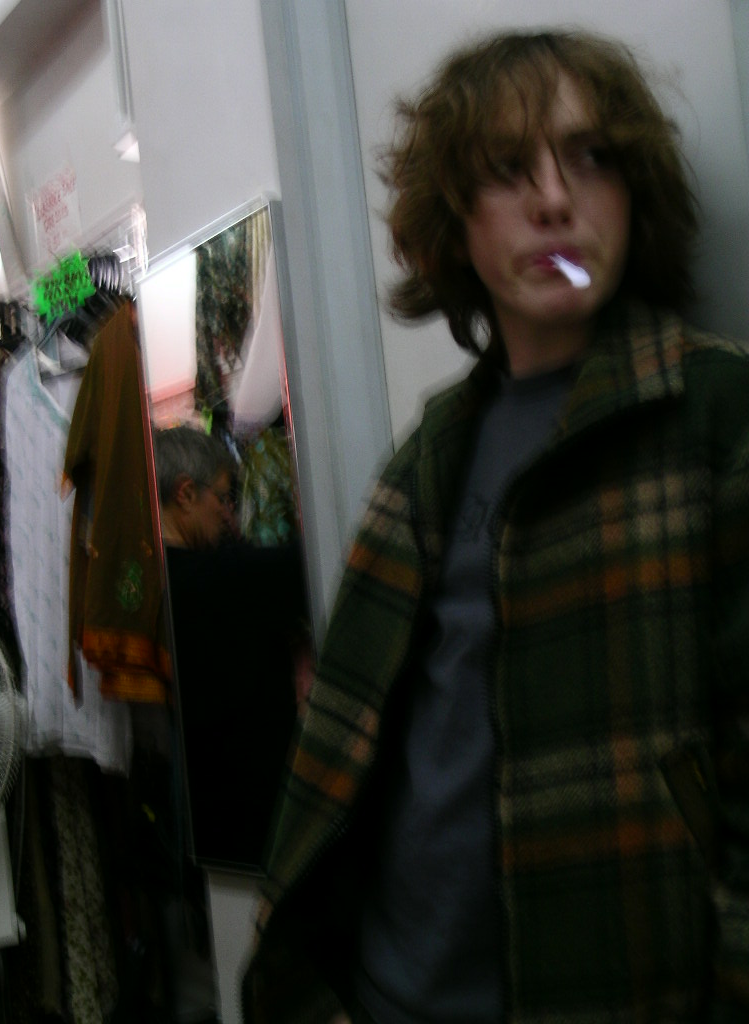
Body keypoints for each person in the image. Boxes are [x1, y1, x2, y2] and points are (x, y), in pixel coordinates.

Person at [242, 28, 749, 1023]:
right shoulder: (431, 452)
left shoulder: (717, 416)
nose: (555, 199)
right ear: (456, 223)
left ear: (635, 191)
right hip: (384, 989)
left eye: (591, 158)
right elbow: (345, 758)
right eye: (508, 170)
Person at [155, 424, 307, 868]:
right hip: (258, 810)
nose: (227, 513)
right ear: (186, 494)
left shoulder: (154, 582)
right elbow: (312, 562)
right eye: (222, 498)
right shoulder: (222, 575)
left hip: (206, 817)